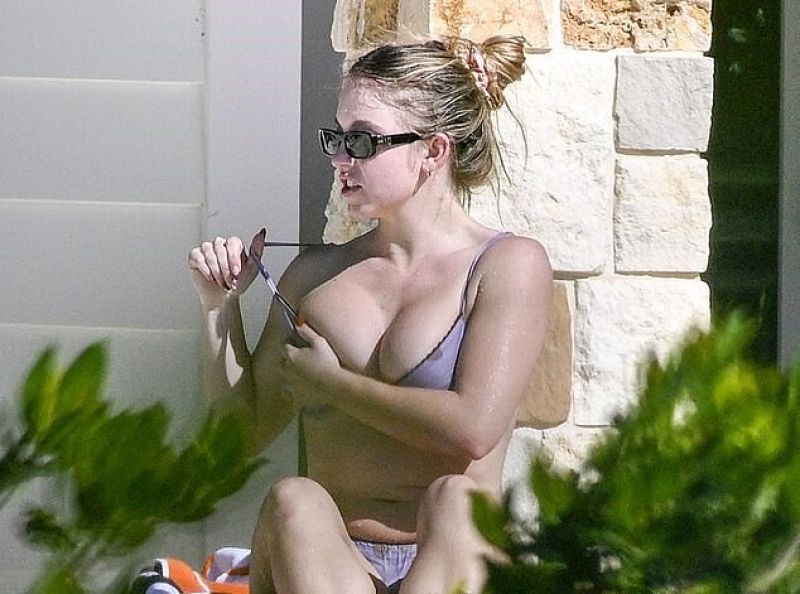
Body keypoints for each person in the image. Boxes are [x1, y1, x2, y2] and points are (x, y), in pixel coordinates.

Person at [187, 34, 552, 594]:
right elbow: (239, 443)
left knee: (457, 500)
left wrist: (332, 386)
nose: (340, 159)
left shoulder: (506, 265)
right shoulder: (314, 277)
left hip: (449, 564)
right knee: (294, 499)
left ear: (433, 151)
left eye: (362, 141)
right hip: (333, 570)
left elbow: (472, 431)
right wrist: (221, 310)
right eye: (336, 137)